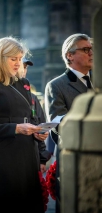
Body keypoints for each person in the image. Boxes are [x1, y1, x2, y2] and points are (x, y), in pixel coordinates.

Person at [0, 37, 48, 213]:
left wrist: (39, 132)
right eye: (13, 59)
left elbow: (31, 117)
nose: (18, 63)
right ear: (0, 58)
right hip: (3, 161)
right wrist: (15, 128)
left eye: (20, 59)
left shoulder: (24, 84)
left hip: (27, 157)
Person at [44, 33, 93, 213]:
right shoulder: (56, 85)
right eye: (86, 49)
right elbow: (59, 124)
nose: (92, 53)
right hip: (74, 157)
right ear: (69, 55)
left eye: (92, 49)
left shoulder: (97, 82)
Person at [22, 58, 52, 173]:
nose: (23, 70)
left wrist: (42, 159)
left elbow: (41, 125)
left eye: (25, 67)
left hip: (32, 154)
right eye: (21, 66)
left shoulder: (33, 97)